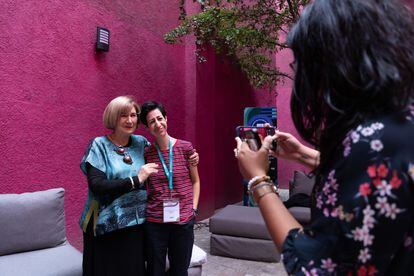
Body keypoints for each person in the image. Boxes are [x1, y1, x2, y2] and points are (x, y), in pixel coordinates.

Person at [235, 0, 414, 274]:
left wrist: (259, 180)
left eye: (302, 64)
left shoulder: (371, 142)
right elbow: (380, 179)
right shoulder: (399, 123)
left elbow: (314, 266)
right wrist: (302, 154)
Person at [79, 96, 198, 275]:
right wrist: (136, 180)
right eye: (123, 115)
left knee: (133, 269)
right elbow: (97, 185)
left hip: (135, 223)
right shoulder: (99, 145)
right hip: (104, 224)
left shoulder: (141, 143)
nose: (129, 120)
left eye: (133, 115)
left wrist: (192, 158)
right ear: (113, 117)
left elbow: (165, 154)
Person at [140, 101, 200, 276]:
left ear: (166, 118)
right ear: (147, 127)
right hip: (155, 222)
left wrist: (194, 209)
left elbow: (196, 181)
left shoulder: (186, 148)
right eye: (152, 122)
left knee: (180, 270)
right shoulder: (147, 153)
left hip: (183, 221)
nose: (158, 124)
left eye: (160, 118)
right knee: (154, 270)